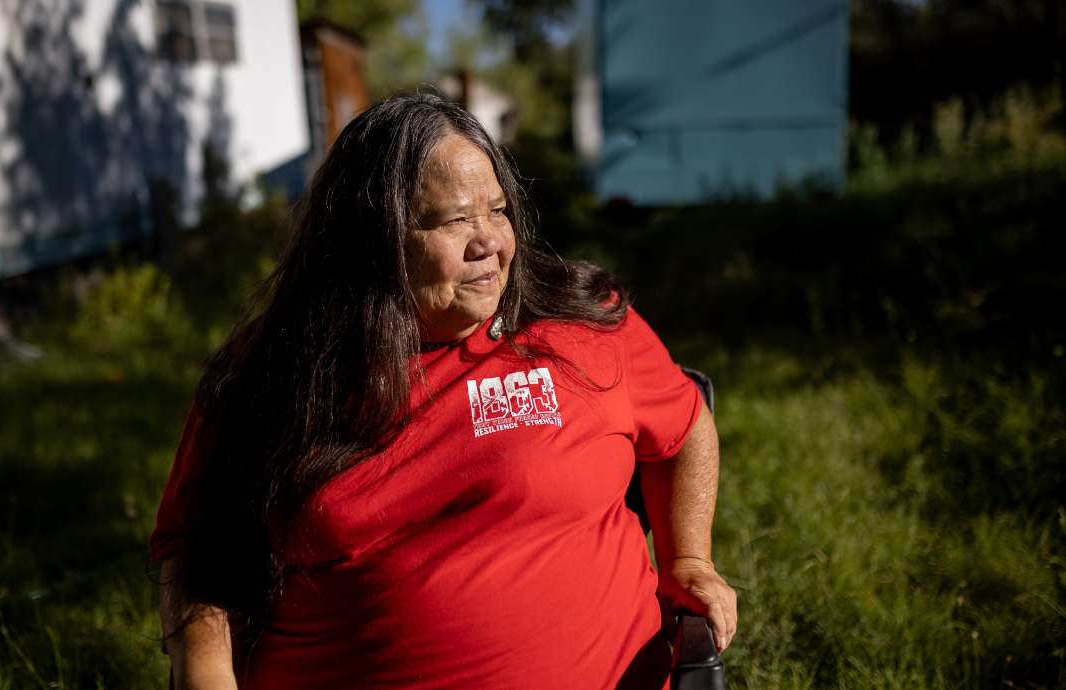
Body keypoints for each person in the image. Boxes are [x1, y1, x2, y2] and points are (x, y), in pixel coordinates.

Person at [150, 92, 737, 690]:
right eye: (454, 220)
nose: (490, 243)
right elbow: (200, 555)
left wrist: (689, 559)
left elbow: (685, 424)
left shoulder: (580, 323)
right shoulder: (274, 373)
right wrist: (203, 671)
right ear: (372, 239)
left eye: (499, 211)